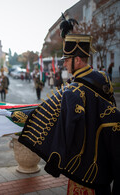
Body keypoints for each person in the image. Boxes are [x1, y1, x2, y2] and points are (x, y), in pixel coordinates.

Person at [18, 15, 120, 195]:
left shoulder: (73, 91)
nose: (63, 64)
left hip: (85, 173)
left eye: (66, 59)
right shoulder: (102, 80)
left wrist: (19, 116)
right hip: (106, 166)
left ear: (78, 60)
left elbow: (58, 120)